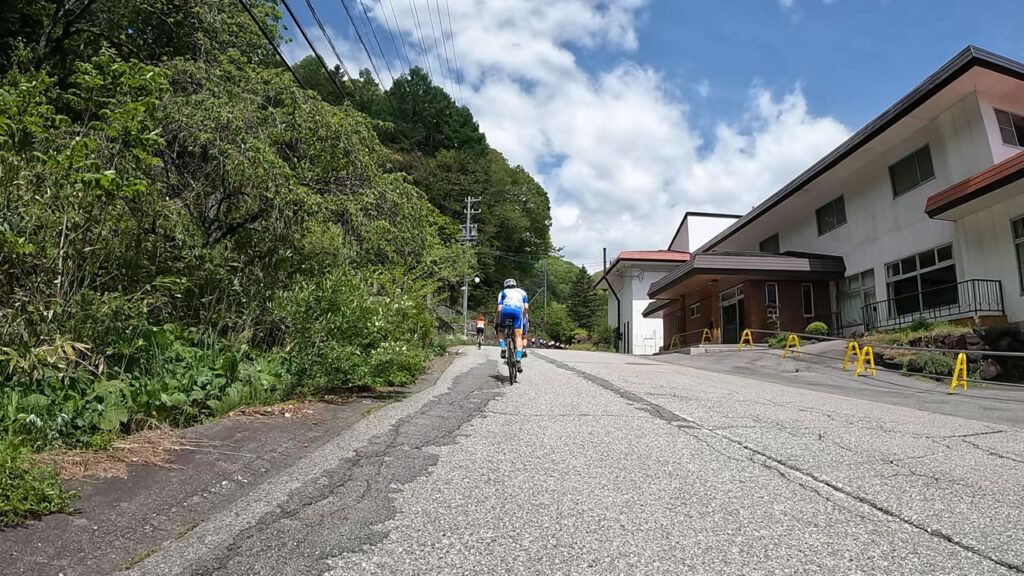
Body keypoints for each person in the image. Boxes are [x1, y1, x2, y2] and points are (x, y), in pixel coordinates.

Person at [496, 278, 528, 372]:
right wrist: (523, 316)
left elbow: (499, 308)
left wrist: (497, 320)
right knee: (518, 336)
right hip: (518, 311)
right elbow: (526, 307)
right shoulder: (522, 292)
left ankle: (503, 348)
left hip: (505, 310)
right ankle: (518, 358)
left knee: (501, 331)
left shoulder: (502, 292)